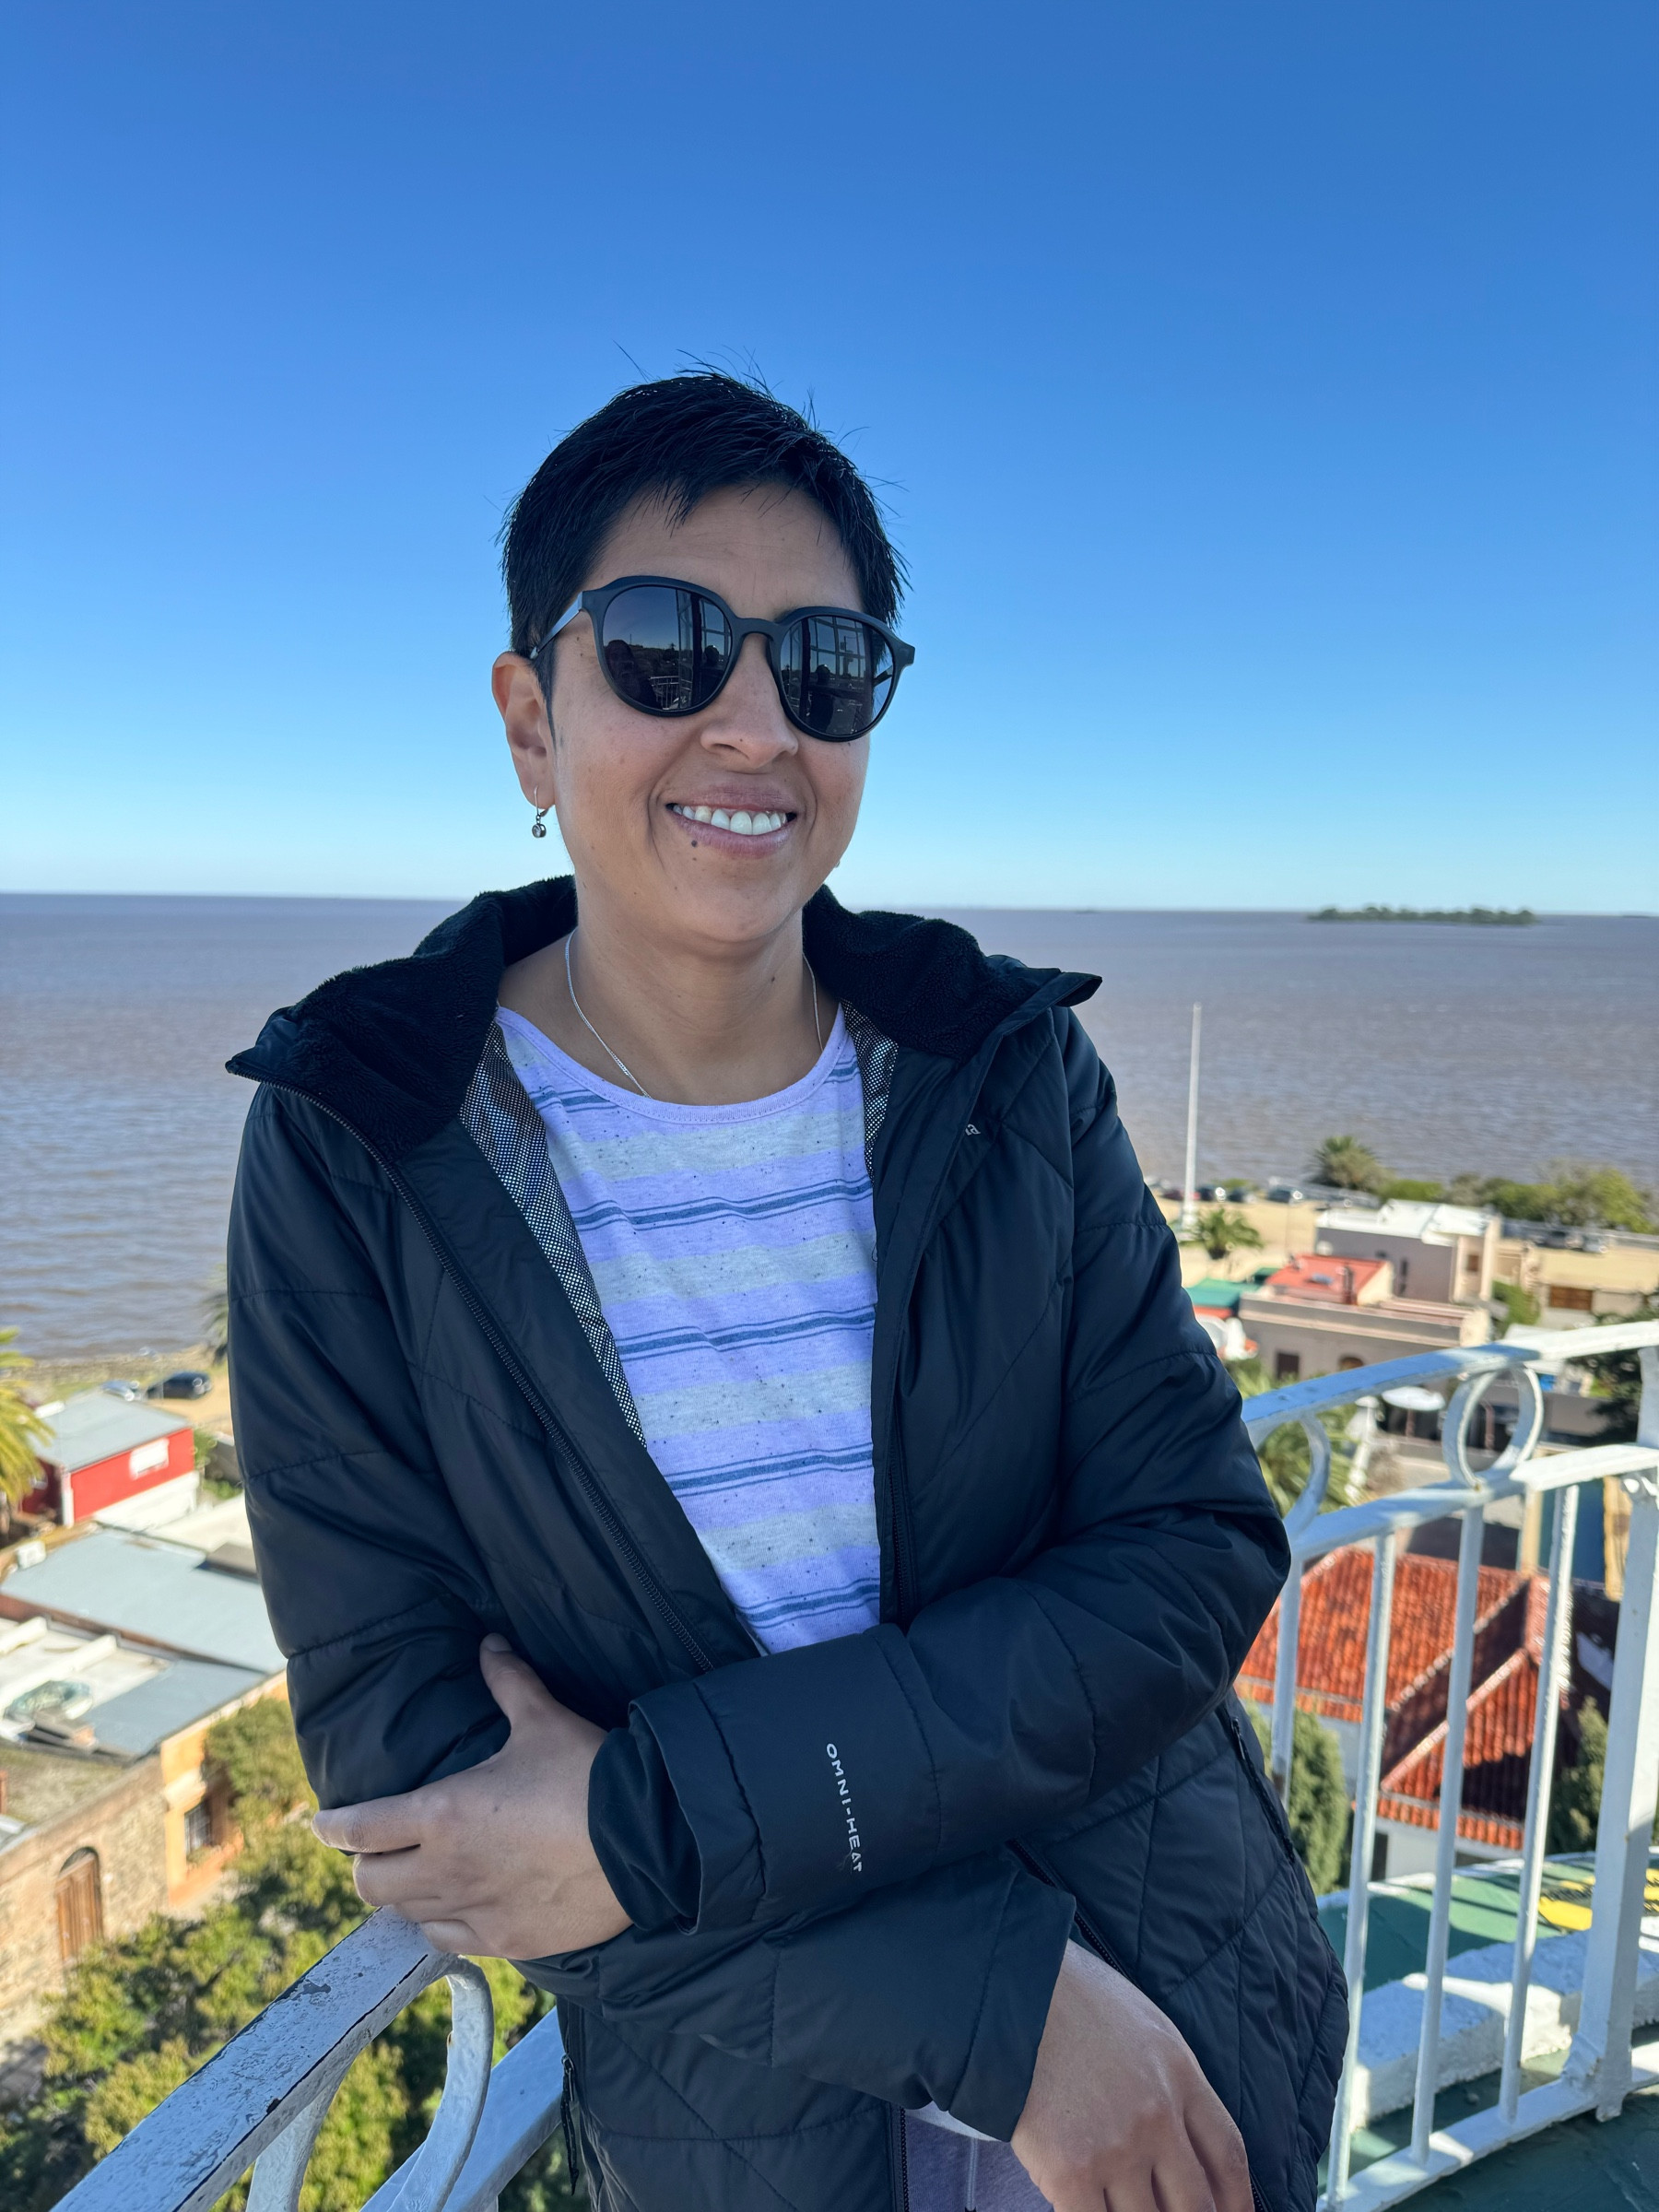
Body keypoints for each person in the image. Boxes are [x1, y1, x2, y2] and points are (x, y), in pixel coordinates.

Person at [227, 373, 1345, 2212]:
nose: (752, 724)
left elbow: (1190, 1548)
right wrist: (994, 2010)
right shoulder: (365, 1137)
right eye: (665, 648)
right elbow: (422, 1772)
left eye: (822, 667)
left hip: (1167, 2021)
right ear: (531, 718)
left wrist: (647, 1821)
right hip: (754, 2118)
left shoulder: (999, 1070)